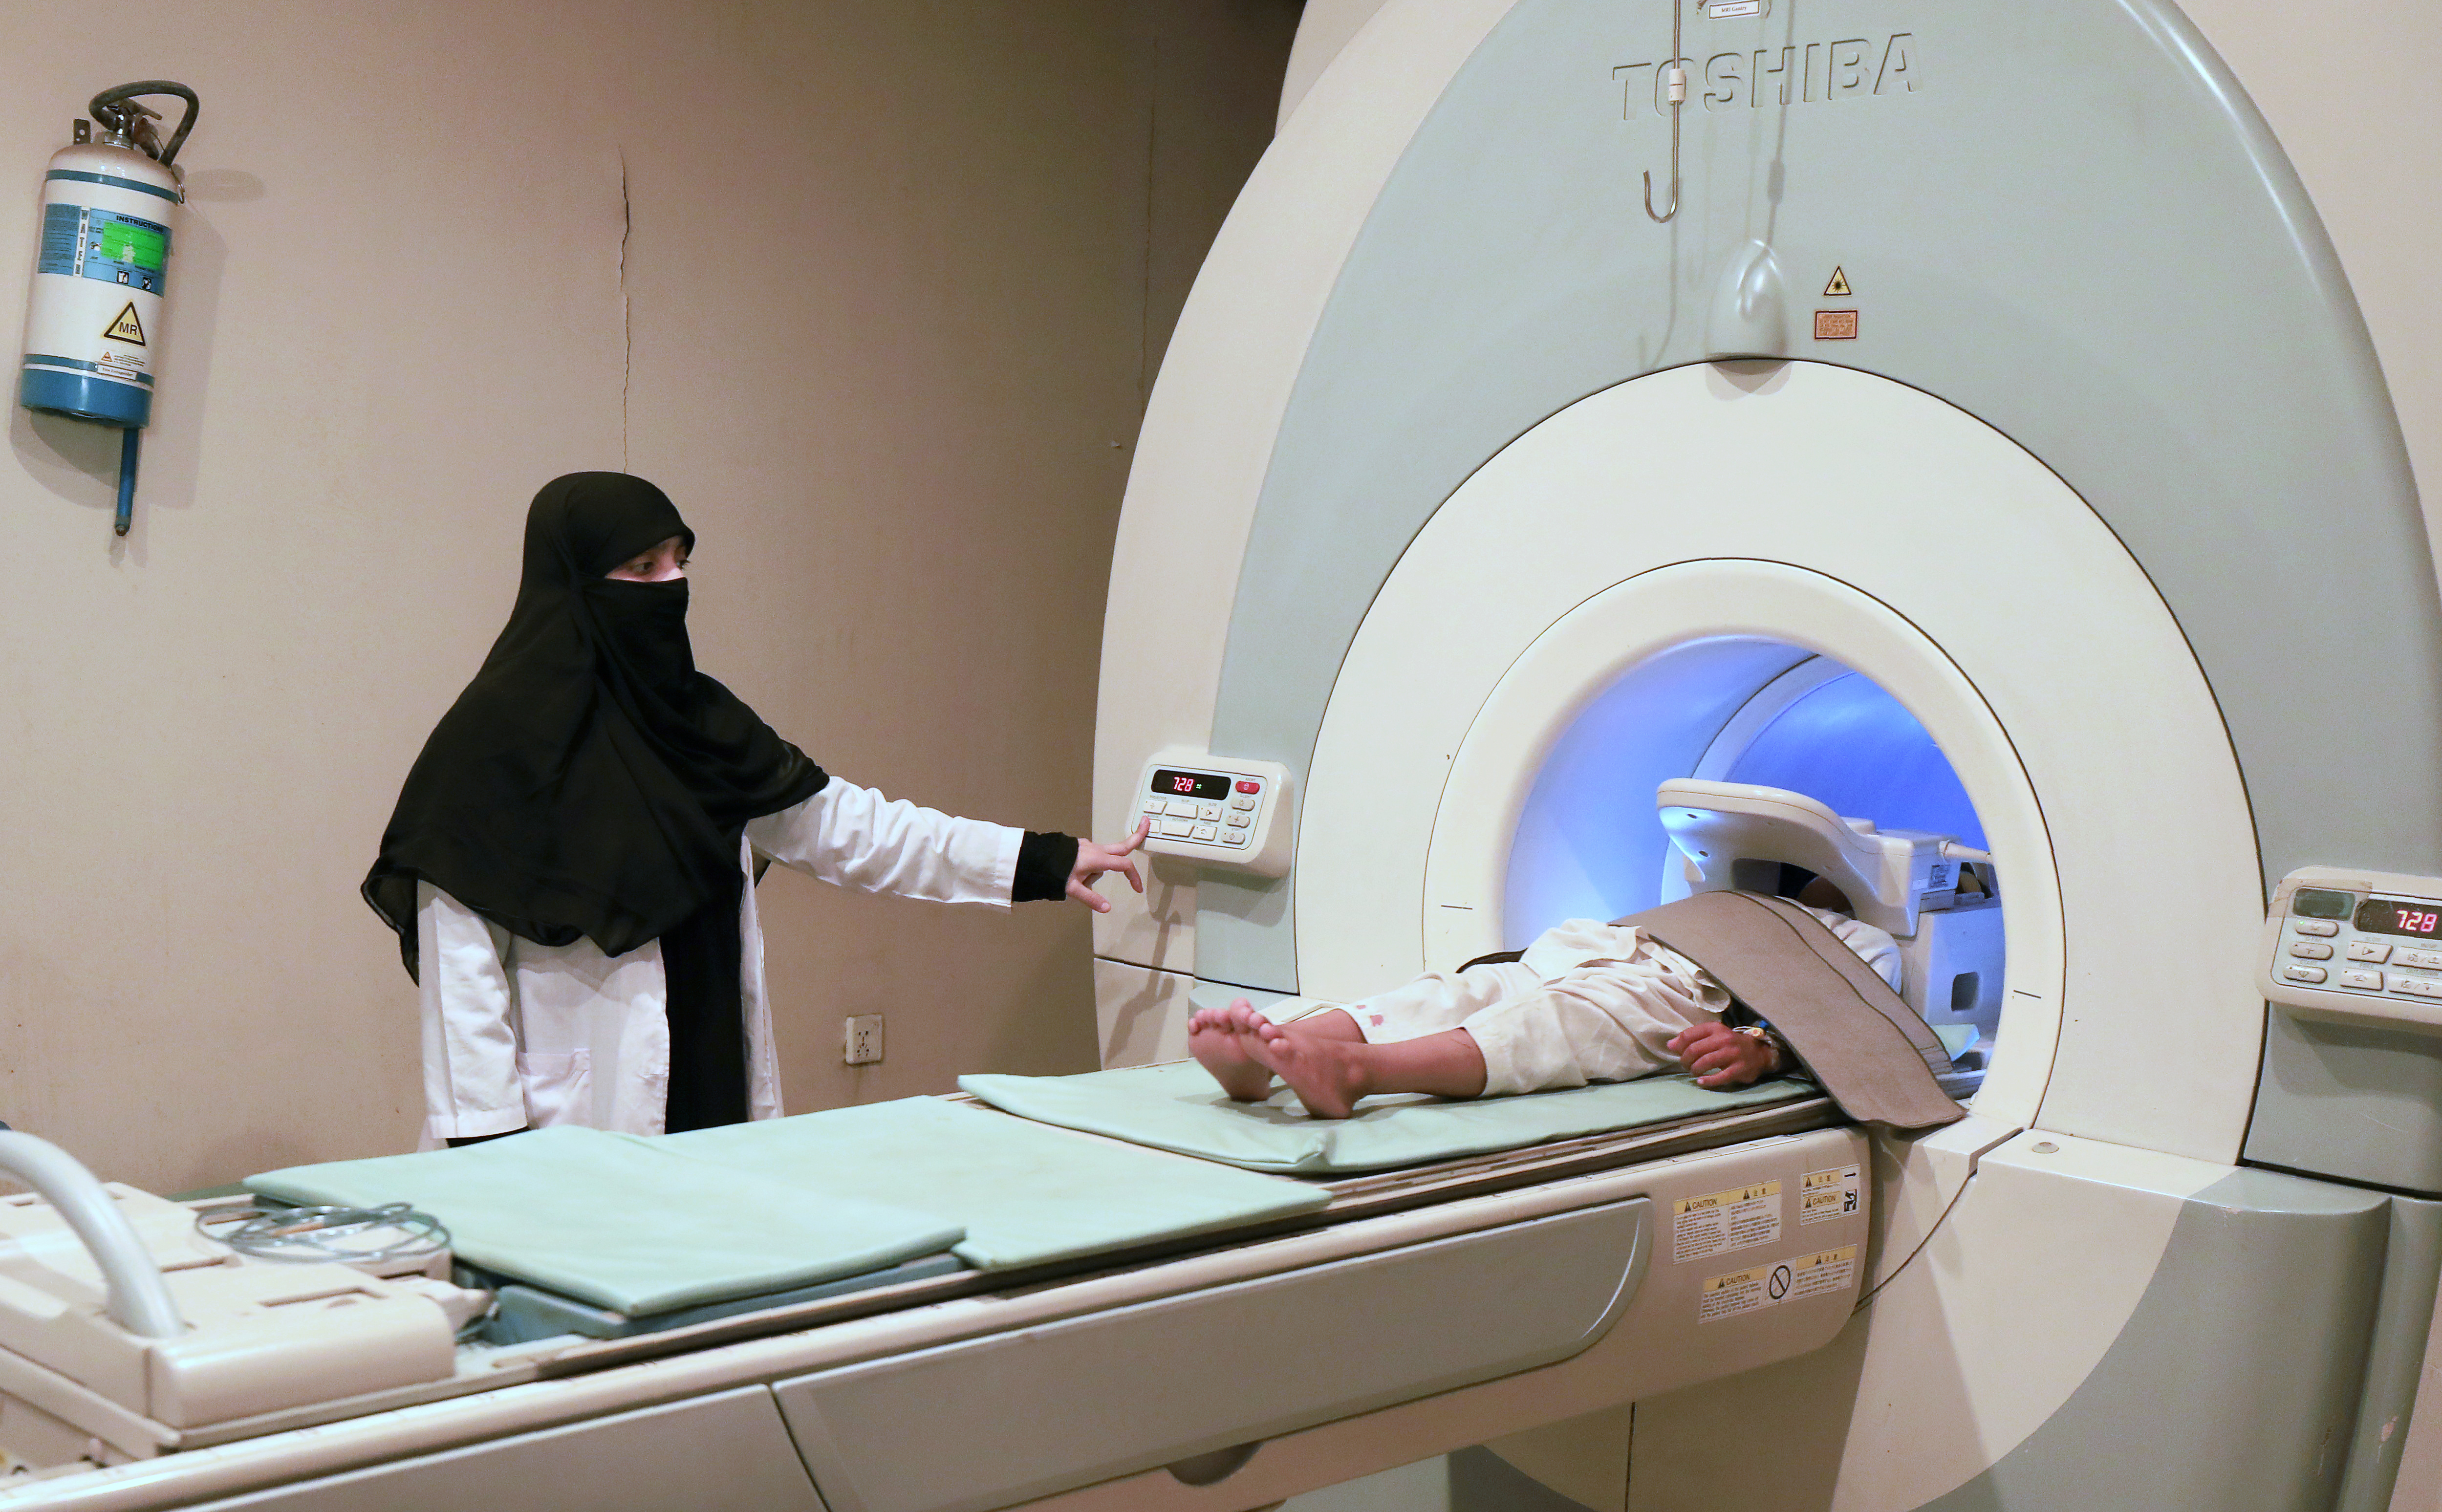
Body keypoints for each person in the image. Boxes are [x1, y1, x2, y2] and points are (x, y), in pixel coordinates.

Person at [363, 472, 1146, 1148]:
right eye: (642, 567)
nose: (672, 586)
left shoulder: (701, 727)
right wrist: (490, 1150)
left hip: (713, 1104)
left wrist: (1041, 859)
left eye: (680, 562)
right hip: (562, 1137)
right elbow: (459, 972)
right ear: (574, 581)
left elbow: (850, 830)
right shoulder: (490, 750)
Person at [1187, 881, 1897, 1120]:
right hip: (1586, 946)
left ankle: (1357, 1073)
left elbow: (1852, 1017)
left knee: (1549, 1025)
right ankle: (1274, 1058)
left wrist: (1762, 1047)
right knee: (1454, 992)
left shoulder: (1858, 938)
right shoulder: (1720, 895)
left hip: (1678, 992)